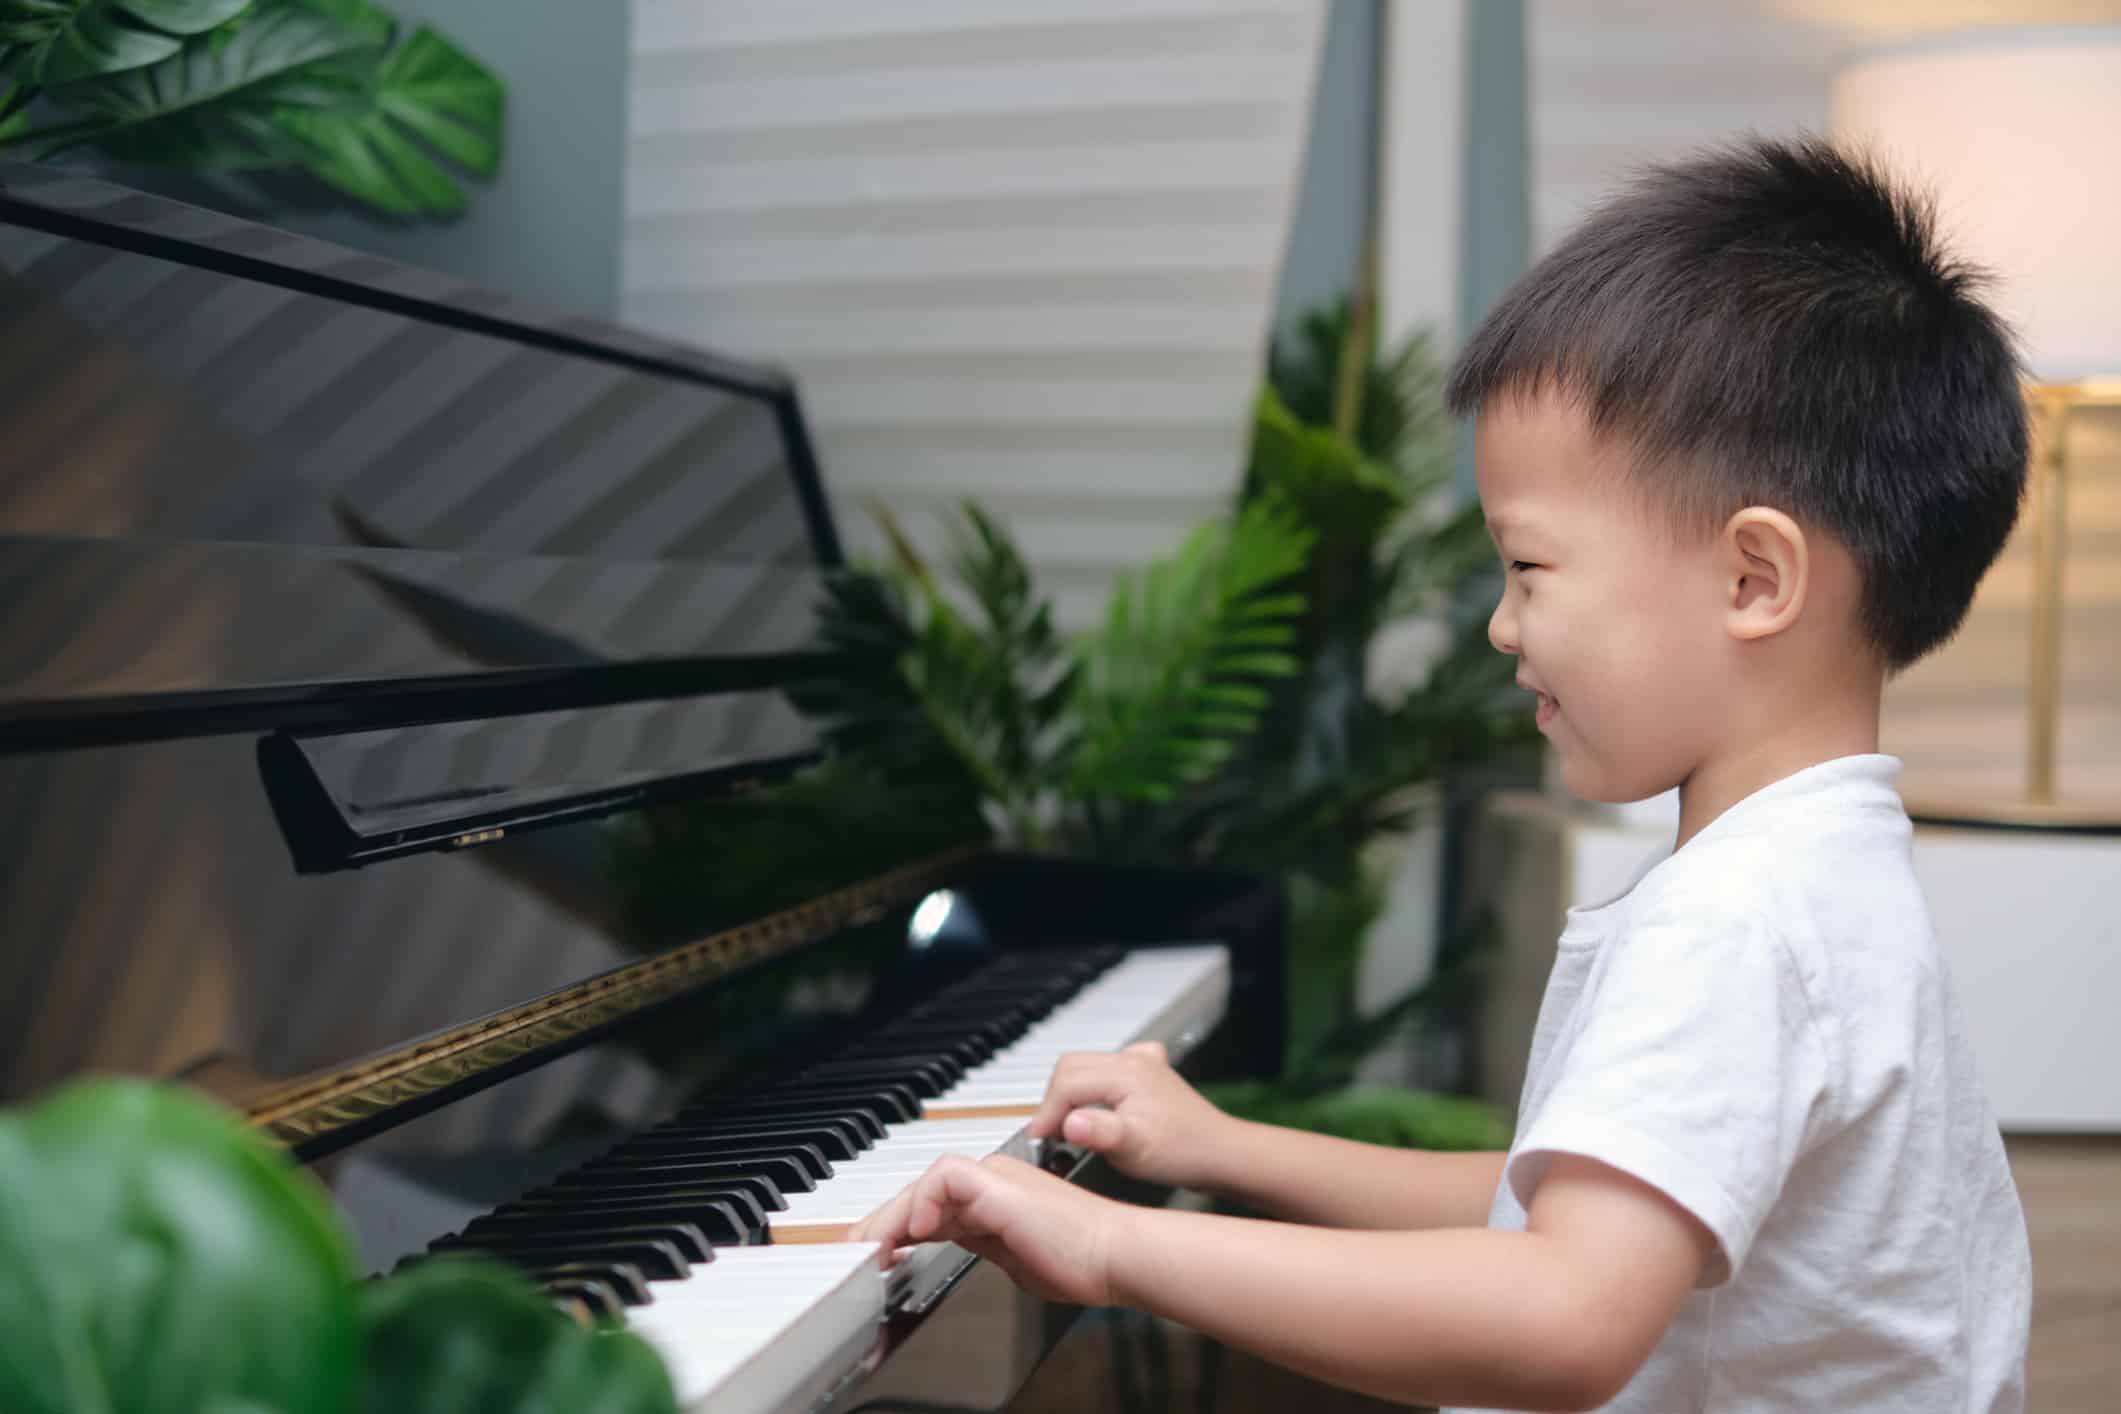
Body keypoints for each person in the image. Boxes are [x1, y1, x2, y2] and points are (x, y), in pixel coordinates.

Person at [851, 137, 2034, 1412]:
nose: (1502, 625)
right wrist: (1229, 1149)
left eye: (1529, 569)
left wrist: (1115, 1246)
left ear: (1755, 580)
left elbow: (1567, 1313)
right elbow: (1552, 1201)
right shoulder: (1820, 875)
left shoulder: (1738, 924)